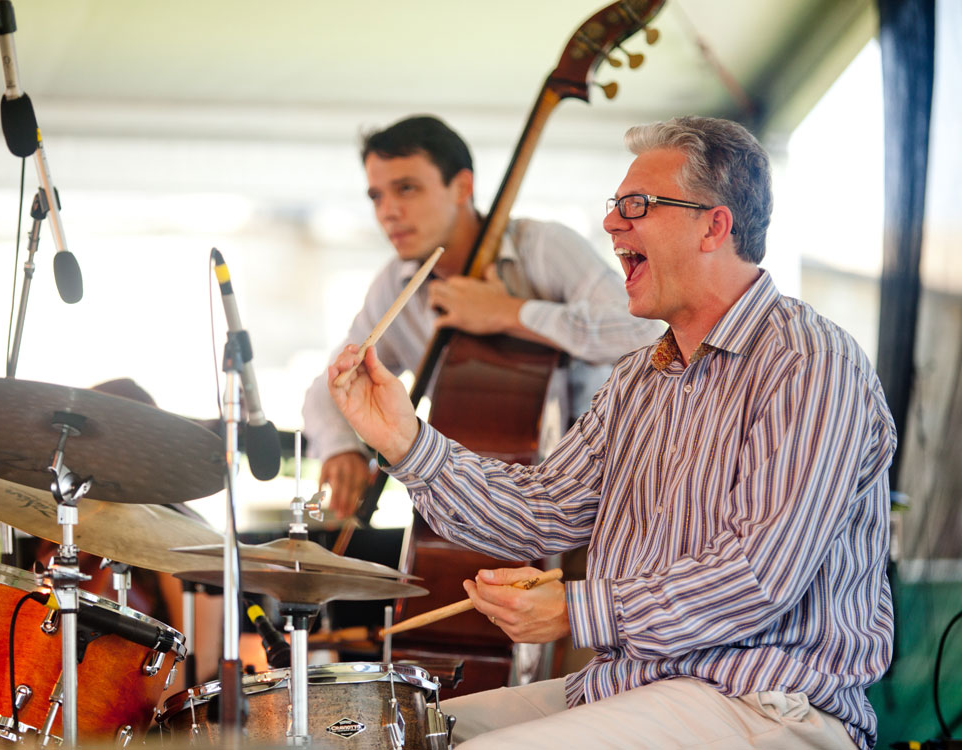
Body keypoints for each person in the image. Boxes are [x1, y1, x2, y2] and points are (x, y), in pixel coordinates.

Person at [327, 116, 895, 749]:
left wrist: (577, 608)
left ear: (715, 224)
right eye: (614, 206)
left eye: (637, 206)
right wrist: (408, 443)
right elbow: (541, 511)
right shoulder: (638, 378)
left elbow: (758, 576)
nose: (610, 225)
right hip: (633, 686)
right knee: (386, 738)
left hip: (764, 705)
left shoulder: (809, 359)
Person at [302, 115, 662, 518]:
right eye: (376, 196)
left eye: (406, 188)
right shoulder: (394, 284)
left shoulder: (542, 246)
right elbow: (331, 384)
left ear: (462, 187)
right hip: (467, 507)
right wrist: (340, 447)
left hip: (594, 498)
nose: (388, 211)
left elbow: (646, 332)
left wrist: (510, 313)